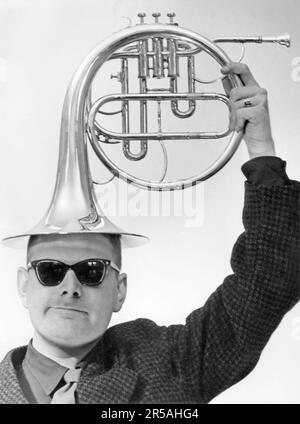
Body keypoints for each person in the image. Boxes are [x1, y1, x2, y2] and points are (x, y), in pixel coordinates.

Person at [0, 63, 299, 404]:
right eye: (50, 271)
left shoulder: (170, 362)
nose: (70, 288)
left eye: (92, 271)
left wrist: (262, 148)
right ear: (24, 284)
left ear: (120, 291)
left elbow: (272, 279)